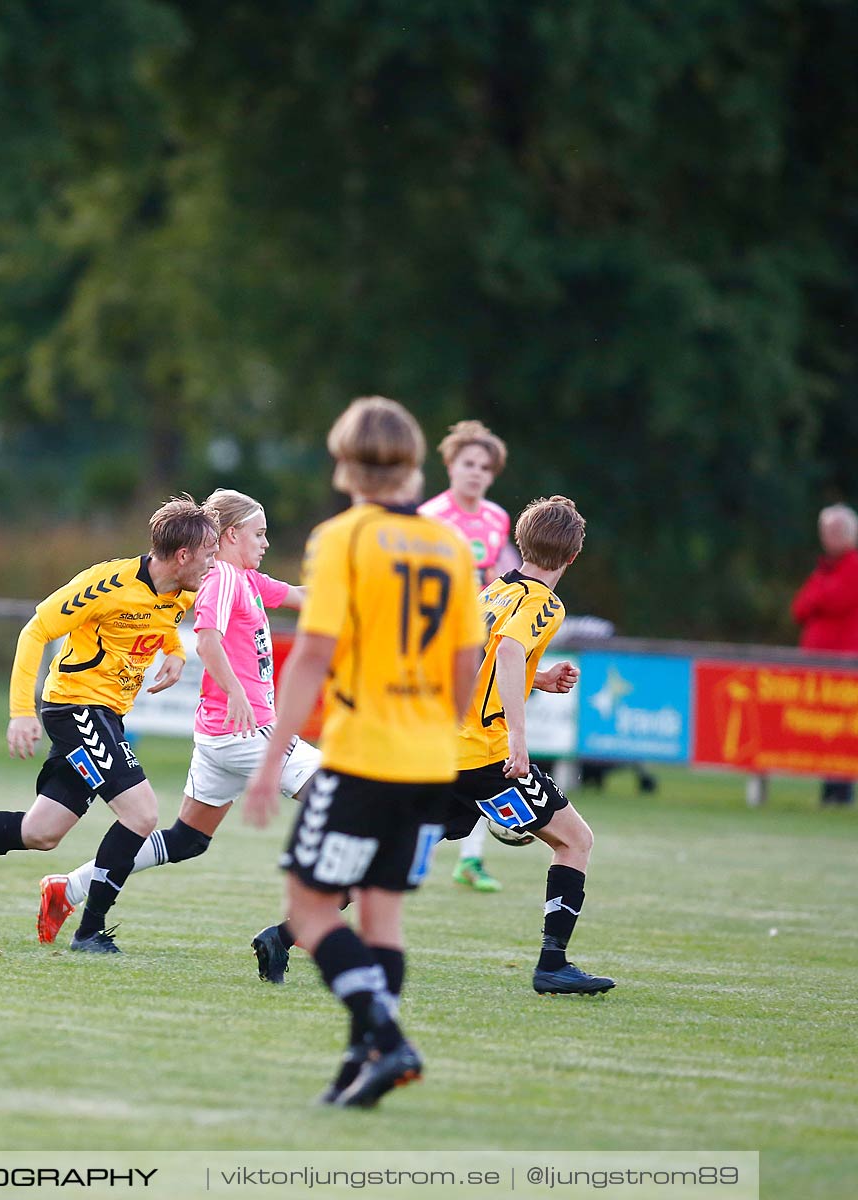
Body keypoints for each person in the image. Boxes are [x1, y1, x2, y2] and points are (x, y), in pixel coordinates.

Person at [246, 396, 484, 1108]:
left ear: (344, 461)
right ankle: (361, 1068)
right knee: (382, 915)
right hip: (429, 761)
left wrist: (270, 758)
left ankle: (387, 1037)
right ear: (413, 464)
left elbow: (313, 655)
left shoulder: (342, 538)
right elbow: (467, 663)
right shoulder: (451, 546)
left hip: (362, 755)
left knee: (311, 910)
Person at [0, 496, 220, 953]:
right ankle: (90, 931)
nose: (213, 561)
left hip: (106, 716)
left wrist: (175, 655)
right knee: (142, 814)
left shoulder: (182, 591)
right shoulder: (107, 582)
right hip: (76, 708)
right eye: (210, 552)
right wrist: (20, 710)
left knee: (42, 832)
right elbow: (35, 630)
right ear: (183, 556)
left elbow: (162, 623)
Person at [36, 488, 323, 951]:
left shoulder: (245, 578)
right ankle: (304, 920)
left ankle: (67, 888)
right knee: (339, 799)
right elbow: (206, 641)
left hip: (219, 740)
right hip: (245, 732)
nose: (266, 542)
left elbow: (299, 595)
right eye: (259, 533)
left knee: (186, 840)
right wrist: (237, 695)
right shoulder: (223, 579)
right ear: (231, 535)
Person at [446, 496, 612, 996]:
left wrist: (537, 678)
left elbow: (483, 657)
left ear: (519, 542)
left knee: (401, 849)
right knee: (575, 840)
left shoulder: (493, 590)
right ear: (573, 557)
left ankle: (284, 935)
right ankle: (553, 964)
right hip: (487, 755)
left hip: (449, 750)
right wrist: (519, 738)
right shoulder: (544, 602)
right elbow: (510, 649)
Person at [419, 419, 518, 893]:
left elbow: (503, 579)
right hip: (438, 648)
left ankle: (470, 857)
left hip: (483, 648)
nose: (475, 473)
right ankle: (411, 835)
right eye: (467, 463)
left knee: (483, 744)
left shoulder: (498, 519)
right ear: (450, 466)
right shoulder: (430, 517)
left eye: (484, 466)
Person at [790, 503, 858, 806]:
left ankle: (842, 792)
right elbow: (799, 608)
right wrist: (817, 597)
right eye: (825, 531)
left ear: (852, 534)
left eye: (836, 531)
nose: (829, 537)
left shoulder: (856, 566)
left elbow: (835, 601)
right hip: (818, 663)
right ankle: (829, 791)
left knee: (842, 731)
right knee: (823, 729)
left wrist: (817, 596)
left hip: (843, 664)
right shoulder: (824, 568)